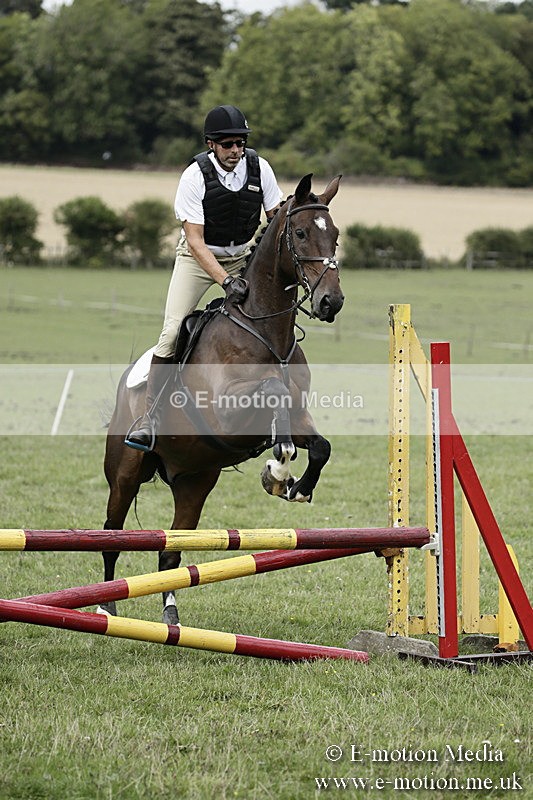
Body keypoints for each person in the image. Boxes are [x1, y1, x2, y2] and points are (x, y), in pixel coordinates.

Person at [125, 104, 283, 451]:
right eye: (227, 144)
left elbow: (276, 220)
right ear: (211, 144)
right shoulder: (194, 176)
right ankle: (150, 418)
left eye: (240, 143)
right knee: (171, 331)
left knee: (270, 324)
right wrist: (226, 282)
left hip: (243, 256)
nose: (236, 150)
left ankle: (278, 410)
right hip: (198, 260)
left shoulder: (261, 169)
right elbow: (195, 241)